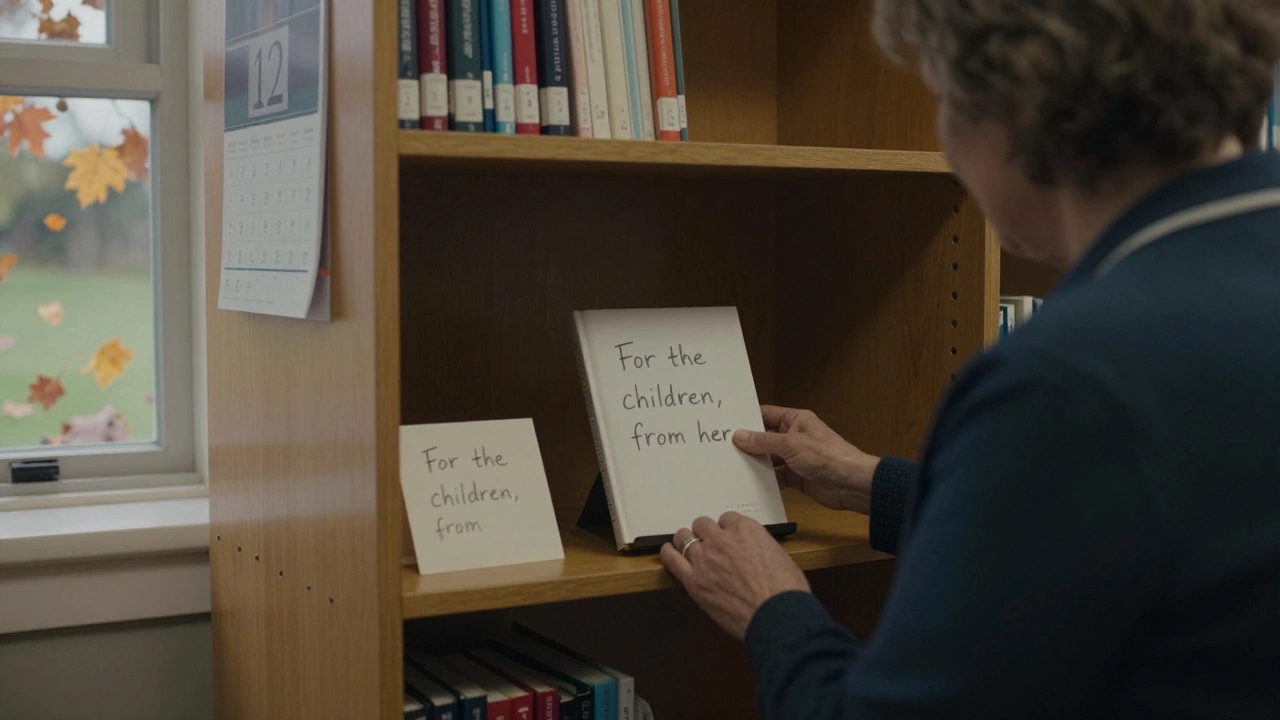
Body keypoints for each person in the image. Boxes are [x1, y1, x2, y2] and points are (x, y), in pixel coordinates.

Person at [658, 1, 1280, 717]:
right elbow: (1151, 523)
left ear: (1017, 104)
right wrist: (875, 484)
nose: (945, 140)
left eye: (943, 98)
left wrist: (774, 609)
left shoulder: (1068, 380)